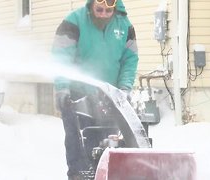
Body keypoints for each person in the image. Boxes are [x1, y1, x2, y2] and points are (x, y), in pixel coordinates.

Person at [51, 0, 138, 179]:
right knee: (78, 144)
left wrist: (124, 88)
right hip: (76, 96)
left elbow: (130, 60)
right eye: (99, 10)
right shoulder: (73, 22)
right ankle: (78, 175)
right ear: (91, 5)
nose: (104, 14)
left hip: (109, 97)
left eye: (108, 11)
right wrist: (62, 88)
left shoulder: (125, 26)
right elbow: (61, 58)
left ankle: (105, 175)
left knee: (108, 144)